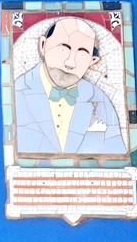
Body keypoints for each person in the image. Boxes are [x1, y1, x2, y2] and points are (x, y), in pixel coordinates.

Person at [14, 17, 127, 155]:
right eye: (63, 49)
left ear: (92, 60)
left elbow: (116, 153)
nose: (70, 63)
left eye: (82, 55)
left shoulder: (99, 99)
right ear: (43, 45)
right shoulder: (16, 93)